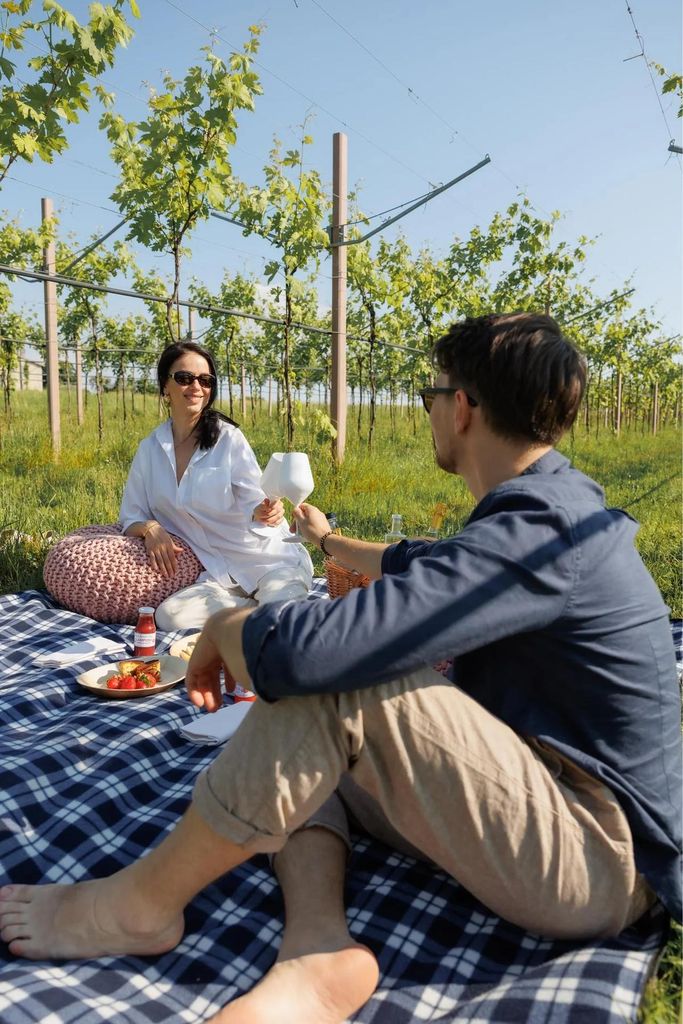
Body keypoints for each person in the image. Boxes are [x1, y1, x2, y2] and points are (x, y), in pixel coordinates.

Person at [1, 313, 680, 1024]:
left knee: (334, 676)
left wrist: (233, 625)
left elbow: (313, 651)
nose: (427, 411)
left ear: (464, 407)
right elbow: (437, 563)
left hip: (596, 854)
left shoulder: (544, 529)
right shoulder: (541, 507)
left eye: (429, 395)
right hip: (540, 792)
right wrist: (331, 541)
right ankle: (316, 949)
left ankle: (140, 904)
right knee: (296, 736)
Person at [118, 340, 313, 629]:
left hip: (270, 562)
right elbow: (130, 516)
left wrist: (266, 511)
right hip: (218, 573)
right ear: (164, 386)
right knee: (169, 616)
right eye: (184, 378)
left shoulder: (228, 439)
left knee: (280, 618)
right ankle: (258, 613)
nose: (196, 387)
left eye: (205, 380)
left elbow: (256, 504)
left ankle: (269, 611)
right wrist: (150, 528)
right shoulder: (149, 449)